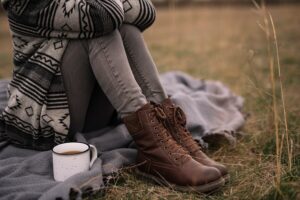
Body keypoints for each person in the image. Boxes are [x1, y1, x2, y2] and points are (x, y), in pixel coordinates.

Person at [0, 0, 228, 192]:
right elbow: (106, 14)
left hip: (86, 112)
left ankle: (171, 130)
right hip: (44, 120)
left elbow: (147, 12)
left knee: (126, 29)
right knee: (102, 31)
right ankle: (154, 147)